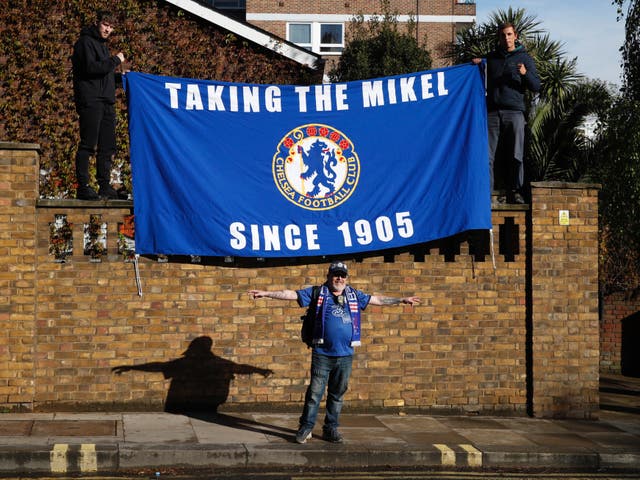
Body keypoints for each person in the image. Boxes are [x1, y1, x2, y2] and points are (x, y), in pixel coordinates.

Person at [248, 261, 420, 444]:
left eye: (342, 275)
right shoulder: (317, 292)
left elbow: (376, 299)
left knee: (337, 395)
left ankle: (330, 429)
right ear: (329, 276)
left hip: (345, 355)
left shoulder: (353, 294)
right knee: (314, 394)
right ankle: (305, 428)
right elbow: (291, 294)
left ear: (346, 278)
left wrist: (401, 300)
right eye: (336, 275)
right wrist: (266, 294)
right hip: (322, 353)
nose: (339, 278)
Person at [473, 22, 541, 204]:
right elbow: (481, 69)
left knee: (516, 154)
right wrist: (477, 64)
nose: (506, 38)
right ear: (499, 37)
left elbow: (536, 86)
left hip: (515, 113)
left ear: (515, 36)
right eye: (503, 35)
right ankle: (486, 195)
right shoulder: (492, 58)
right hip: (492, 112)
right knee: (486, 156)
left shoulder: (524, 58)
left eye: (509, 34)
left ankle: (515, 191)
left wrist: (525, 74)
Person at [72, 10, 126, 200]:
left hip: (106, 102)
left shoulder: (103, 47)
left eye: (111, 27)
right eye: (105, 25)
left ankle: (104, 185)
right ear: (97, 23)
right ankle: (83, 186)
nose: (108, 29)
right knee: (88, 144)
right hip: (91, 100)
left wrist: (122, 79)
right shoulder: (85, 43)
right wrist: (116, 60)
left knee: (108, 146)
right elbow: (91, 68)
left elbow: (105, 75)